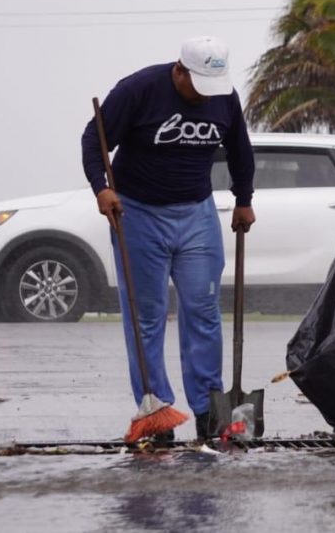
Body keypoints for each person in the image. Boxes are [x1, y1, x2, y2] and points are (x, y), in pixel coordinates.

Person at [81, 36, 256, 443]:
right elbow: (94, 140)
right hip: (138, 212)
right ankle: (156, 409)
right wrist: (100, 188)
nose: (203, 96)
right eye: (196, 85)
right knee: (147, 316)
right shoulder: (138, 90)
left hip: (196, 211)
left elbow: (239, 149)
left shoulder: (224, 97)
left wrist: (244, 199)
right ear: (179, 70)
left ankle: (207, 409)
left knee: (203, 310)